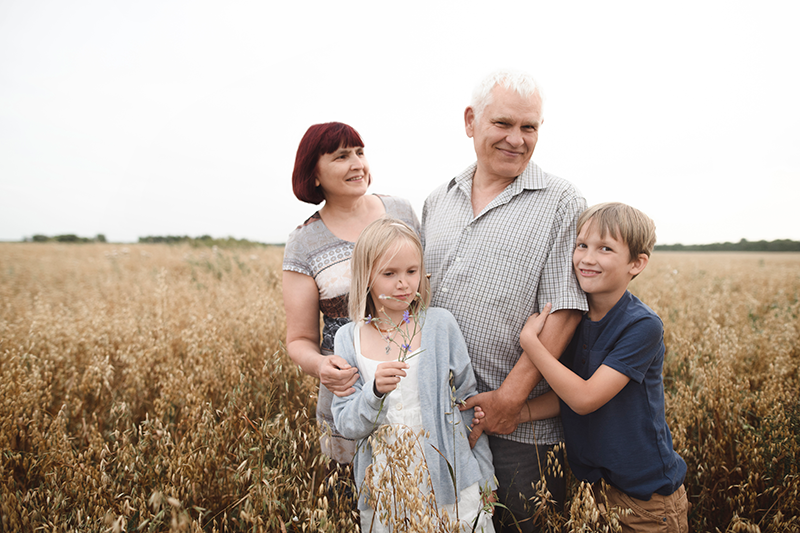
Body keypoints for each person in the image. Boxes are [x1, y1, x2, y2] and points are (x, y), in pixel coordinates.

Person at [422, 69, 588, 531]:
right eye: (503, 124)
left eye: (529, 127)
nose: (517, 139)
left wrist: (509, 400)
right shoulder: (439, 199)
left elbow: (566, 310)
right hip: (441, 417)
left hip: (520, 430)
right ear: (471, 120)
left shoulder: (561, 201)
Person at [519, 202, 689, 532]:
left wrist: (532, 346)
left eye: (605, 248)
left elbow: (584, 398)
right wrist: (516, 412)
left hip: (646, 501)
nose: (587, 258)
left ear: (637, 263)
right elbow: (567, 393)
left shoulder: (641, 326)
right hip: (594, 494)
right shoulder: (575, 319)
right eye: (582, 245)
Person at [331, 218, 496, 532]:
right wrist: (374, 393)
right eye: (389, 274)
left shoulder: (439, 324)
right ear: (366, 277)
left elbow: (470, 409)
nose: (403, 284)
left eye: (412, 271)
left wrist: (485, 477)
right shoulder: (348, 338)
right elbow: (346, 423)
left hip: (451, 480)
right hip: (386, 483)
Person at [282, 122, 420, 474]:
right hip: (349, 396)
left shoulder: (400, 212)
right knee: (355, 499)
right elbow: (299, 339)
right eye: (342, 156)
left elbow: (424, 294)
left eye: (359, 152)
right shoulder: (304, 243)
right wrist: (321, 367)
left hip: (413, 381)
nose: (357, 163)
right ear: (313, 174)